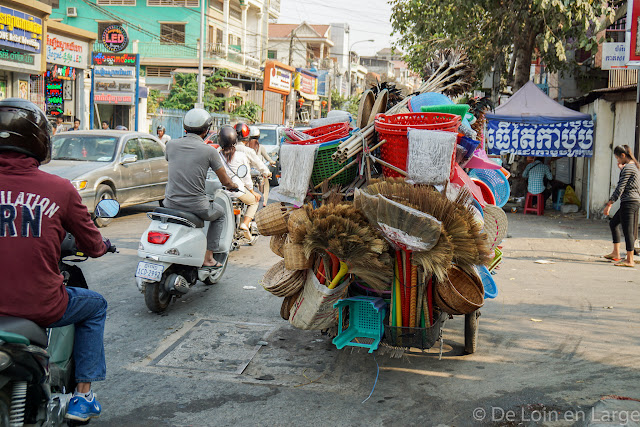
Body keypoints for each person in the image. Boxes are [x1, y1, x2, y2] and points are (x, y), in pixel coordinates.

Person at [0, 98, 115, 422]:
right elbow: (92, 244)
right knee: (96, 305)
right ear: (40, 142)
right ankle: (83, 396)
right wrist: (103, 245)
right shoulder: (59, 189)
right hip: (41, 305)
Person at [163, 108, 238, 267]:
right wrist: (234, 186)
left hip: (169, 203)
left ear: (185, 126)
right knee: (221, 213)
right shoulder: (209, 151)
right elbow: (225, 181)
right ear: (207, 130)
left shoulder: (170, 145)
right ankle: (208, 257)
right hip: (196, 206)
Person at [218, 126, 260, 240]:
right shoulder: (241, 155)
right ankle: (245, 223)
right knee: (254, 201)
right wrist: (252, 192)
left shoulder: (217, 155)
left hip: (220, 192)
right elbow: (246, 177)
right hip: (238, 191)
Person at [603, 145, 640, 267]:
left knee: (628, 231)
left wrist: (609, 204)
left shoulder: (628, 168)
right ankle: (616, 253)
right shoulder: (631, 166)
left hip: (629, 202)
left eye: (618, 158)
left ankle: (629, 260)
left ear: (623, 156)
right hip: (631, 201)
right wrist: (621, 169)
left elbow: (620, 188)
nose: (617, 161)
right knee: (613, 223)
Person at [246, 126, 275, 206]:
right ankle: (264, 201)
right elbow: (267, 157)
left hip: (247, 171)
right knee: (265, 181)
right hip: (258, 170)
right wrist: (272, 162)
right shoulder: (260, 147)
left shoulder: (246, 147)